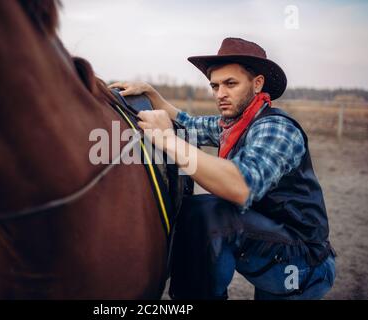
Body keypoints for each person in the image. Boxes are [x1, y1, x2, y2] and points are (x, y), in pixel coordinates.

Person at [109, 37, 336, 300]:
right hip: (268, 238)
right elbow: (187, 123)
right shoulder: (234, 125)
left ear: (257, 83)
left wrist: (168, 141)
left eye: (230, 84)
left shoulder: (276, 128)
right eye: (214, 86)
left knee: (210, 216)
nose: (220, 94)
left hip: (302, 260)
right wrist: (151, 95)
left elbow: (241, 186)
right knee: (199, 212)